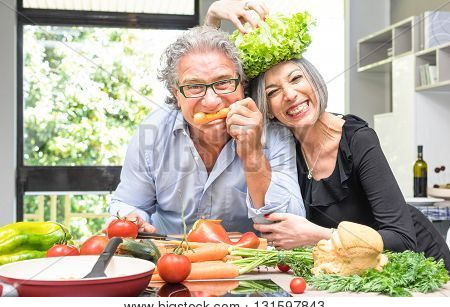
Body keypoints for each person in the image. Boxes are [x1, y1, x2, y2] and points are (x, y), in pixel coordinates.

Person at [205, 0, 450, 271]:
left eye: (296, 78)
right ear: (268, 110)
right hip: (358, 273)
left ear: (314, 81)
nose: (289, 94)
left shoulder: (357, 139)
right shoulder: (283, 148)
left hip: (419, 267)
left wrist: (315, 234)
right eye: (273, 92)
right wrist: (213, 16)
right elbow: (216, 84)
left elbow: (403, 239)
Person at [108, 25, 304, 235]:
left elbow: (289, 226)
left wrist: (253, 154)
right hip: (170, 258)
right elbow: (129, 203)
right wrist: (132, 218)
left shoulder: (275, 134)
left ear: (241, 84)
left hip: (246, 263)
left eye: (224, 83)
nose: (211, 102)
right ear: (176, 94)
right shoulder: (152, 131)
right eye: (194, 87)